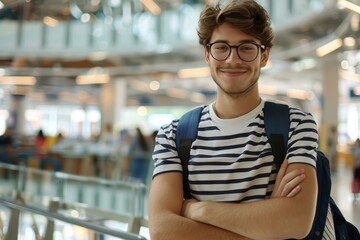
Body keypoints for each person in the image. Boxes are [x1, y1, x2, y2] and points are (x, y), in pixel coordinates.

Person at [148, 1, 334, 239]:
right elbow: (163, 230)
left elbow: (297, 220)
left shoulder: (296, 125)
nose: (232, 60)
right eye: (221, 47)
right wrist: (267, 224)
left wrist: (196, 208)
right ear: (207, 54)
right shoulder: (173, 135)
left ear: (264, 56)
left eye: (246, 48)